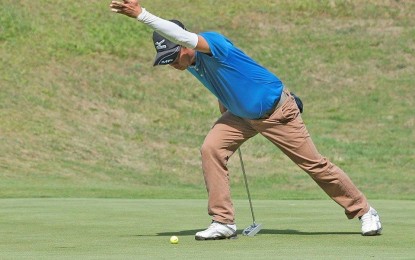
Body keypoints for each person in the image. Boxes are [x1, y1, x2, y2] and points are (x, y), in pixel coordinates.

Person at [109, 0, 382, 240]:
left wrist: (141, 14)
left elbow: (184, 37)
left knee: (314, 165)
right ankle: (223, 222)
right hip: (240, 116)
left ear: (185, 45)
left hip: (277, 112)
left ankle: (365, 211)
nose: (171, 64)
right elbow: (224, 83)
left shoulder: (213, 43)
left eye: (172, 57)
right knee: (211, 148)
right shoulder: (192, 64)